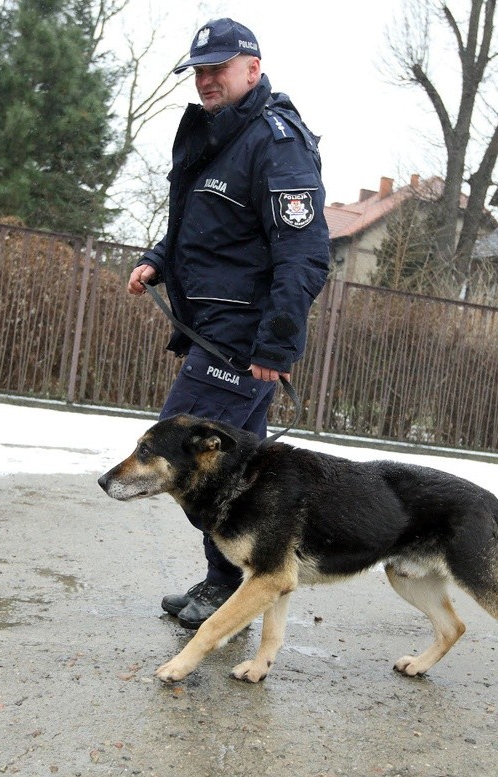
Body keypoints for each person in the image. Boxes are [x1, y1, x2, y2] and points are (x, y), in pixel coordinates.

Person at [127, 17, 330, 630]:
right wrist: (158, 260)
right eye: (200, 70)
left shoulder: (276, 143)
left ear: (253, 68)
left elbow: (304, 253)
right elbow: (200, 222)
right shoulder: (223, 134)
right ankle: (233, 580)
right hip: (215, 327)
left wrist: (276, 345)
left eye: (219, 68)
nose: (207, 80)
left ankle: (230, 584)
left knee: (183, 453)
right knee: (243, 468)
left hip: (241, 339)